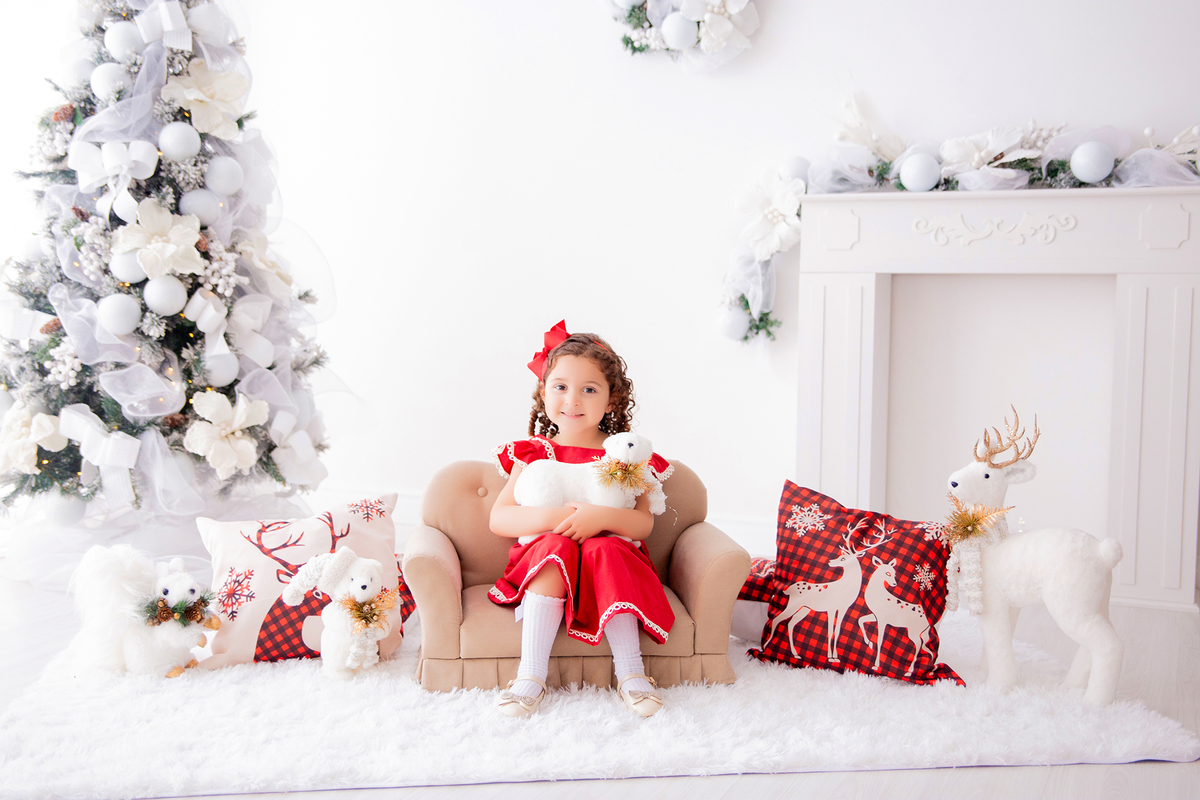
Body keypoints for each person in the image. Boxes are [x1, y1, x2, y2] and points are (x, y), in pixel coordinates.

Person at [488, 321, 675, 718]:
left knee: (604, 545)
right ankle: (530, 676)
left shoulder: (624, 456)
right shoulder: (534, 453)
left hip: (610, 564)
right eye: (560, 387)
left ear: (610, 400)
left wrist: (600, 517)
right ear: (544, 392)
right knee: (555, 545)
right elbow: (500, 518)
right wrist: (559, 517)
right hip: (546, 563)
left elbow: (643, 526)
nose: (572, 399)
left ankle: (632, 673)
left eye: (589, 389)